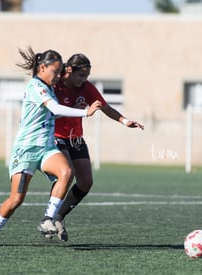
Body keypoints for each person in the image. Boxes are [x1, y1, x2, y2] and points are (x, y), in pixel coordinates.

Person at [0, 48, 102, 247]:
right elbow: (54, 108)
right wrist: (85, 113)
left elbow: (53, 114)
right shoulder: (36, 86)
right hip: (27, 150)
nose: (58, 76)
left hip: (46, 148)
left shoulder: (51, 87)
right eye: (55, 71)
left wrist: (75, 111)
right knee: (16, 199)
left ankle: (48, 219)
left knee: (66, 171)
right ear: (43, 67)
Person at [45, 53, 144, 241]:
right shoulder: (55, 86)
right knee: (67, 172)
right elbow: (50, 113)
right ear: (69, 70)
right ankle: (48, 218)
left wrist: (124, 121)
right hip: (56, 136)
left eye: (87, 76)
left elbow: (104, 107)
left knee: (86, 182)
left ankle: (59, 217)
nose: (85, 80)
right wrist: (76, 107)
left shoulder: (86, 88)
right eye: (81, 75)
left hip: (75, 138)